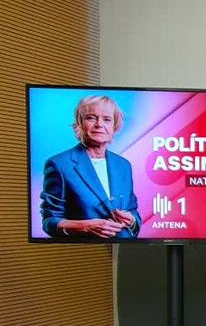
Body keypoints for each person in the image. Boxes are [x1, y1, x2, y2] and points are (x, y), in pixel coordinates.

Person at [40, 95, 141, 238]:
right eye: (91, 118)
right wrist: (84, 227)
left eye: (107, 119)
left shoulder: (123, 165)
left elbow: (133, 211)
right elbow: (50, 221)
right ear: (79, 123)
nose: (99, 124)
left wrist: (131, 220)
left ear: (114, 126)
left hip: (123, 247)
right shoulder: (59, 164)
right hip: (85, 248)